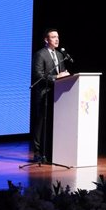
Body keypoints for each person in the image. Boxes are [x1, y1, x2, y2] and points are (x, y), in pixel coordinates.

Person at [31, 28, 70, 162]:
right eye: (53, 37)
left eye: (57, 37)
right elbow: (38, 76)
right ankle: (37, 153)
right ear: (46, 40)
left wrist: (66, 75)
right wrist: (55, 77)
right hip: (44, 94)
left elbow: (62, 72)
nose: (57, 39)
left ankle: (50, 151)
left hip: (58, 94)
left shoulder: (60, 55)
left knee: (53, 123)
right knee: (40, 124)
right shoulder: (40, 55)